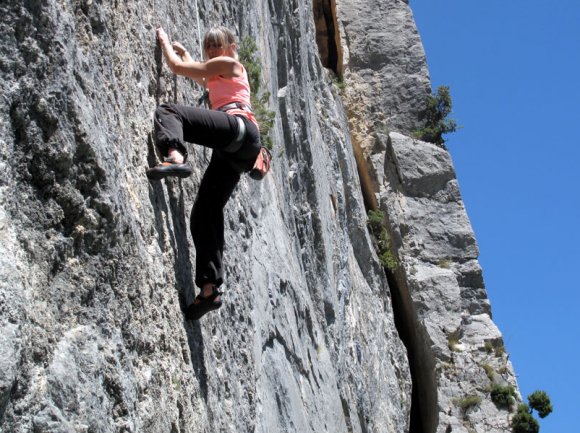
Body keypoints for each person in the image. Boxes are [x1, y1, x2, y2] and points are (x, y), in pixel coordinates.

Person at [148, 26, 261, 320]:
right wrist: (186, 55)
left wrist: (164, 42)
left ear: (231, 46)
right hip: (238, 150)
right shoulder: (220, 71)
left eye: (217, 44)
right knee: (205, 212)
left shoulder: (231, 63)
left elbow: (176, 67)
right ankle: (210, 289)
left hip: (239, 131)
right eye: (208, 45)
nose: (212, 49)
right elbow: (204, 80)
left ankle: (174, 155)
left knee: (169, 112)